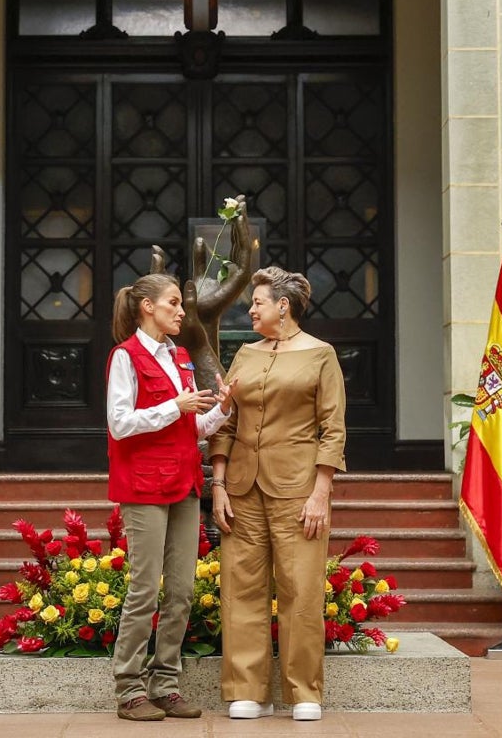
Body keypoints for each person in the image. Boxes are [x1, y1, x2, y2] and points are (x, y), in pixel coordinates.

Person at [206, 267, 347, 722]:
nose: (250, 310)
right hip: (242, 489)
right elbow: (226, 420)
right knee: (240, 588)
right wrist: (219, 484)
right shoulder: (244, 354)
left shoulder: (321, 355)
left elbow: (333, 428)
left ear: (282, 307)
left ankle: (304, 692)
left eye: (258, 303)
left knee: (301, 590)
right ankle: (248, 689)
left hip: (298, 489)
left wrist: (321, 492)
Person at [106, 273, 237, 722]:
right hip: (143, 486)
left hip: (182, 484)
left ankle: (166, 684)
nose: (182, 311)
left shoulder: (180, 356)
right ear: (147, 307)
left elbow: (190, 429)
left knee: (181, 590)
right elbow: (119, 423)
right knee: (144, 589)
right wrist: (173, 407)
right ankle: (129, 689)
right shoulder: (125, 357)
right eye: (173, 303)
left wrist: (221, 409)